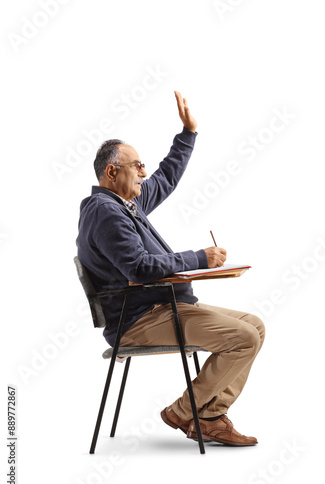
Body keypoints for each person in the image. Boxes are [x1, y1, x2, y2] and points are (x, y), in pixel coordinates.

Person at [76, 91, 265, 446]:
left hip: (163, 308)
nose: (144, 174)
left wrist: (187, 133)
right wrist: (199, 259)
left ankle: (208, 416)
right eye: (137, 167)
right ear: (112, 171)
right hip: (139, 320)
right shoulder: (104, 211)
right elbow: (140, 268)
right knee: (244, 338)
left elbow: (165, 178)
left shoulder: (125, 203)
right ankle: (184, 411)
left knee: (254, 325)